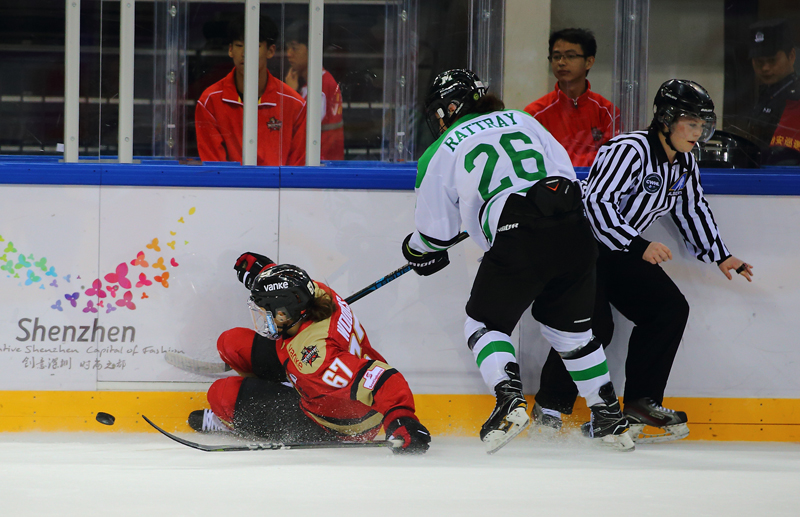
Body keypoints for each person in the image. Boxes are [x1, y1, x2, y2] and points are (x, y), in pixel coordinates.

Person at [402, 69, 635, 453]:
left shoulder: (441, 149)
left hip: (519, 231)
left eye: (442, 110)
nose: (439, 119)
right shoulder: (526, 120)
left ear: (453, 105)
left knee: (483, 323)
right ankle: (608, 416)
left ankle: (509, 402)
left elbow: (435, 235)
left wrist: (415, 250)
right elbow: (565, 178)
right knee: (573, 333)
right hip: (574, 229)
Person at [532, 79, 755, 443]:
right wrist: (638, 245)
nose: (698, 132)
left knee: (668, 309)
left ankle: (639, 402)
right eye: (691, 123)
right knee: (593, 327)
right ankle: (550, 408)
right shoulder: (629, 149)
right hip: (579, 248)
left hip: (618, 250)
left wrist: (721, 254)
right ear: (666, 120)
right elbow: (596, 205)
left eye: (703, 125)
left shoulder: (683, 162)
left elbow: (692, 208)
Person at [187, 252, 431, 455]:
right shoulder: (315, 292)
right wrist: (265, 273)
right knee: (231, 343)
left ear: (284, 313)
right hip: (318, 382)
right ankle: (284, 387)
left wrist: (401, 417)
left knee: (221, 395)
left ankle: (235, 423)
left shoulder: (315, 359)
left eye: (266, 312)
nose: (262, 319)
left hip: (337, 423)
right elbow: (289, 283)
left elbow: (381, 379)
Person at [195, 15, 307, 166]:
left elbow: (297, 170)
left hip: (279, 188)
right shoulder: (209, 102)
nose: (245, 53)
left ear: (271, 51)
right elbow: (215, 169)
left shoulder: (295, 104)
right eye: (239, 45)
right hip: (231, 189)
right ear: (230, 50)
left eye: (255, 45)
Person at [524, 28, 620, 167]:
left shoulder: (608, 112)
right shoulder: (535, 113)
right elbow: (533, 159)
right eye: (556, 57)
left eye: (570, 56)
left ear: (589, 62)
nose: (561, 62)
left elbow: (615, 157)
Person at [284, 21, 345, 161]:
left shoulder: (320, 86)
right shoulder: (320, 81)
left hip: (321, 166)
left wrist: (291, 94)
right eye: (288, 48)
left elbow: (302, 127)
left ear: (312, 49)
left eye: (294, 48)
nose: (289, 54)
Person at [743, 19, 800, 165]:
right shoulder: (766, 92)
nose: (765, 68)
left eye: (772, 60)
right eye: (759, 62)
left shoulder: (795, 97)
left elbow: (787, 157)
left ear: (791, 56)